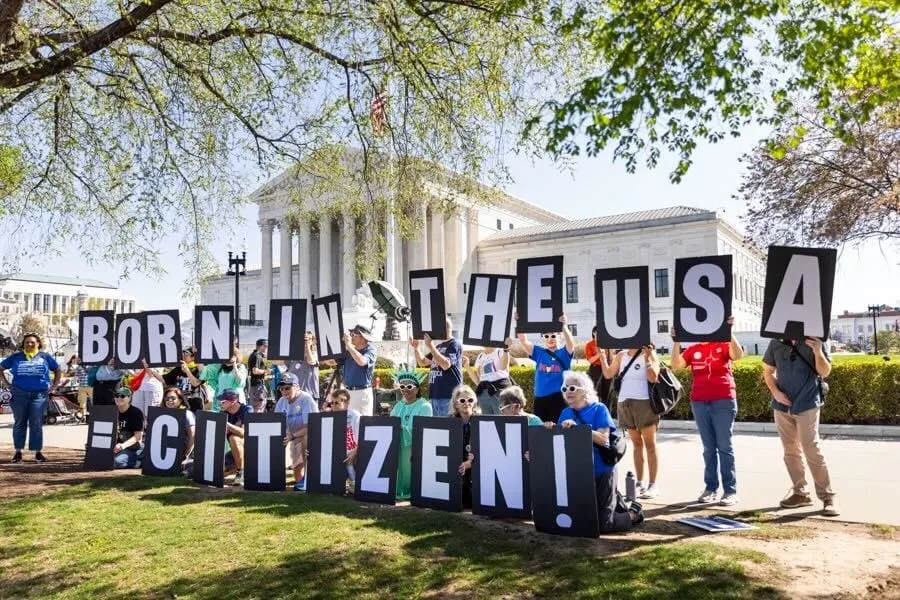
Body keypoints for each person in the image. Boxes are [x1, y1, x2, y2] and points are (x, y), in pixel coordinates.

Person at [670, 317, 744, 506]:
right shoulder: (693, 349)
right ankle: (711, 488)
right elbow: (676, 365)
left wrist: (729, 332)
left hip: (723, 399)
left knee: (724, 447)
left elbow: (738, 355)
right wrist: (677, 341)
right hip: (700, 402)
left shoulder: (721, 344)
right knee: (709, 448)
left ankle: (730, 491)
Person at [557, 370, 643, 532]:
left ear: (585, 390)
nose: (568, 391)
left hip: (602, 470)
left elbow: (603, 439)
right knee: (583, 519)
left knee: (604, 525)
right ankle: (615, 502)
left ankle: (633, 514)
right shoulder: (565, 413)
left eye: (572, 388)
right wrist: (550, 429)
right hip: (578, 473)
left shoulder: (599, 409)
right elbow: (559, 441)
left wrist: (579, 429)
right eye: (565, 388)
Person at [763, 337, 839, 516]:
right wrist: (776, 393)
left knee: (811, 447)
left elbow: (825, 371)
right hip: (782, 405)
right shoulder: (776, 342)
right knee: (790, 451)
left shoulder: (816, 340)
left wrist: (818, 351)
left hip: (808, 403)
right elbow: (768, 372)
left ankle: (828, 497)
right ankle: (800, 493)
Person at [600, 345, 661, 499]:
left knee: (650, 444)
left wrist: (647, 358)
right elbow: (608, 374)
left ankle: (653, 484)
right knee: (636, 444)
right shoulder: (621, 355)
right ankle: (639, 482)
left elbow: (653, 377)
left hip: (644, 403)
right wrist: (602, 355)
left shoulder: (649, 353)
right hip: (625, 403)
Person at [1, 333, 61, 463]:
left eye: (32, 342)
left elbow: (57, 369)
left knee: (36, 424)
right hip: (19, 395)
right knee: (19, 423)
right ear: (23, 344)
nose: (29, 344)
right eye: (27, 342)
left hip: (39, 396)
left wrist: (54, 386)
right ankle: (18, 453)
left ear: (38, 343)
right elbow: (1, 368)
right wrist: (7, 384)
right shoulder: (16, 357)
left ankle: (38, 453)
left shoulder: (45, 357)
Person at [515, 313, 575, 423]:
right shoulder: (539, 353)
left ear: (559, 337)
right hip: (540, 399)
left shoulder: (563, 353)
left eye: (553, 336)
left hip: (558, 398)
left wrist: (564, 326)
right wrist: (519, 322)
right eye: (546, 336)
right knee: (541, 430)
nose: (550, 339)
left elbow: (570, 343)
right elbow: (523, 341)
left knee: (559, 428)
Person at [389, 368, 433, 500]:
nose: (405, 389)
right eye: (402, 386)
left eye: (409, 386)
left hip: (413, 447)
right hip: (397, 445)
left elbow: (424, 431)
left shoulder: (425, 406)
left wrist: (402, 428)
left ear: (417, 389)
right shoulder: (398, 405)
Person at [274, 373, 319, 491]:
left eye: (287, 388)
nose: (284, 391)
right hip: (292, 436)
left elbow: (311, 426)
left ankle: (309, 476)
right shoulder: (281, 401)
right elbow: (278, 423)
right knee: (297, 476)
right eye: (281, 388)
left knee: (306, 438)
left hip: (309, 435)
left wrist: (292, 436)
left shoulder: (306, 399)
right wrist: (287, 434)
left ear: (297, 387)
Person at [410, 316, 463, 417]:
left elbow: (446, 364)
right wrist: (416, 348)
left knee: (447, 427)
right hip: (435, 394)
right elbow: (422, 362)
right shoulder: (439, 346)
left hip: (448, 395)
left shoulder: (454, 344)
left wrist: (430, 346)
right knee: (437, 428)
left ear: (444, 328)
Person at [189, 345, 248, 410]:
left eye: (229, 356)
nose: (227, 359)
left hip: (235, 403)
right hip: (221, 404)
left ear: (236, 357)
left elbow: (240, 381)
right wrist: (197, 354)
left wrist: (234, 365)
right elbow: (204, 372)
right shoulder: (220, 367)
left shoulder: (240, 367)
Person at [338, 324, 377, 416]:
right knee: (348, 424)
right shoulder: (350, 351)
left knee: (362, 423)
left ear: (363, 337)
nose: (351, 336)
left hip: (362, 393)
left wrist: (349, 345)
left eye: (354, 333)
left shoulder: (371, 350)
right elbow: (330, 362)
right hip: (347, 392)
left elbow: (362, 361)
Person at [469, 339, 514, 415]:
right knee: (487, 422)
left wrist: (506, 350)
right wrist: (467, 366)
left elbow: (504, 367)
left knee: (501, 420)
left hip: (499, 391)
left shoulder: (500, 351)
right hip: (484, 393)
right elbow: (478, 381)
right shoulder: (480, 356)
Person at [452, 385, 479, 508]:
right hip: (457, 464)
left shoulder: (481, 421)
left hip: (475, 464)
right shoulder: (450, 422)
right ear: (456, 404)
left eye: (470, 400)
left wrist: (469, 463)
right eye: (462, 400)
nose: (466, 403)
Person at [219, 389, 252, 486]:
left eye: (222, 401)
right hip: (235, 452)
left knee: (234, 438)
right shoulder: (223, 413)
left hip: (252, 451)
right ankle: (238, 468)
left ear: (233, 401)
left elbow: (244, 433)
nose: (219, 404)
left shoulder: (247, 410)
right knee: (217, 472)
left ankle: (241, 472)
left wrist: (228, 425)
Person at [331, 388, 361, 492]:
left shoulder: (355, 416)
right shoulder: (329, 417)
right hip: (339, 455)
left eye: (337, 403)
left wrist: (355, 452)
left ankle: (354, 482)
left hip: (355, 453)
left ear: (347, 403)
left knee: (348, 459)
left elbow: (363, 438)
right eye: (332, 403)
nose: (333, 405)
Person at [113, 388, 144, 469]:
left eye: (122, 396)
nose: (119, 398)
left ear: (129, 398)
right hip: (117, 447)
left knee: (116, 462)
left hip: (133, 447)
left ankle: (139, 461)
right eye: (117, 395)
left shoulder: (136, 413)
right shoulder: (112, 411)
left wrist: (122, 446)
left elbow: (138, 436)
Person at [162, 386, 195, 459]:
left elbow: (192, 436)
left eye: (173, 398)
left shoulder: (187, 414)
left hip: (183, 453)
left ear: (180, 400)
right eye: (167, 398)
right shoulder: (162, 414)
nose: (169, 400)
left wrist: (186, 456)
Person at [288, 331, 320, 407]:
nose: (306, 341)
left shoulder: (314, 353)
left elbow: (311, 361)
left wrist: (307, 346)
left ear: (312, 341)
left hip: (309, 395)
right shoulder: (293, 356)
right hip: (294, 395)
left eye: (309, 339)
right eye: (304, 339)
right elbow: (276, 361)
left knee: (310, 418)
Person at [585, 327, 613, 410]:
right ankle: (596, 411)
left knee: (608, 392)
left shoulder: (607, 343)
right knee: (597, 391)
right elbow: (589, 360)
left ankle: (607, 412)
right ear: (593, 333)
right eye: (597, 332)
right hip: (595, 369)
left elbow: (611, 358)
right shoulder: (590, 345)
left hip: (607, 368)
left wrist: (610, 349)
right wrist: (599, 354)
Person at [133, 360, 164, 425]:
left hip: (152, 389)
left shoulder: (157, 356)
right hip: (138, 388)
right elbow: (134, 373)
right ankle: (140, 433)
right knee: (137, 415)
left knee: (151, 416)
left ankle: (150, 433)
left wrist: (145, 363)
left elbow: (151, 373)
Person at [247, 338, 269, 412]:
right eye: (266, 346)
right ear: (261, 346)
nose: (267, 348)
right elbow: (255, 371)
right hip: (257, 386)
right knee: (259, 407)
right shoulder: (257, 356)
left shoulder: (255, 355)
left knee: (257, 407)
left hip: (256, 385)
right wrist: (266, 371)